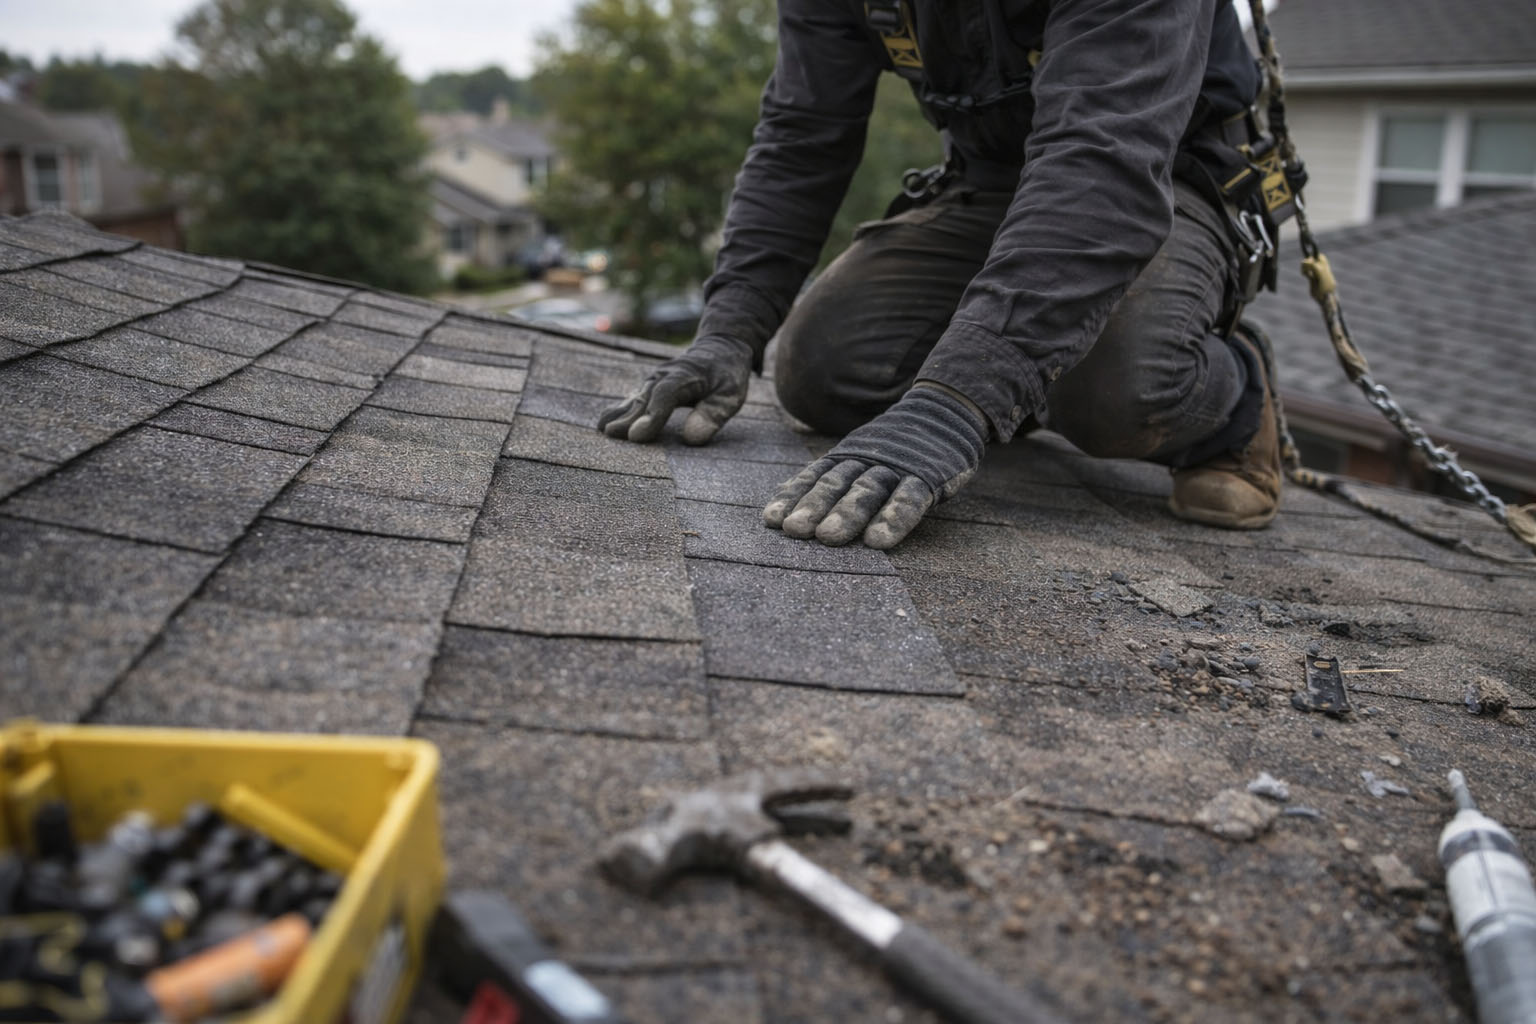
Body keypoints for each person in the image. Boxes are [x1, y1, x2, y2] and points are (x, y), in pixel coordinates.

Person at [596, 0, 1285, 550]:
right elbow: (802, 137)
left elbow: (1102, 163)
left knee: (1113, 389)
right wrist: (731, 327)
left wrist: (952, 406)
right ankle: (1023, 367)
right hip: (990, 182)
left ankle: (1234, 402)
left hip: (1165, 176)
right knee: (823, 368)